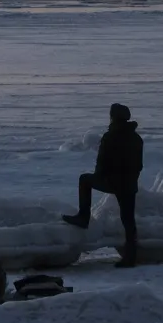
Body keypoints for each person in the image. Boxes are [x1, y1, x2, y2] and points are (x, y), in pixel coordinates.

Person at [62, 103, 144, 267]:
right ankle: (131, 257)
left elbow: (102, 162)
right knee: (128, 220)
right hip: (129, 184)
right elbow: (139, 164)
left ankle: (83, 217)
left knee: (84, 180)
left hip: (114, 182)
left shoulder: (111, 136)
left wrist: (100, 177)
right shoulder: (136, 138)